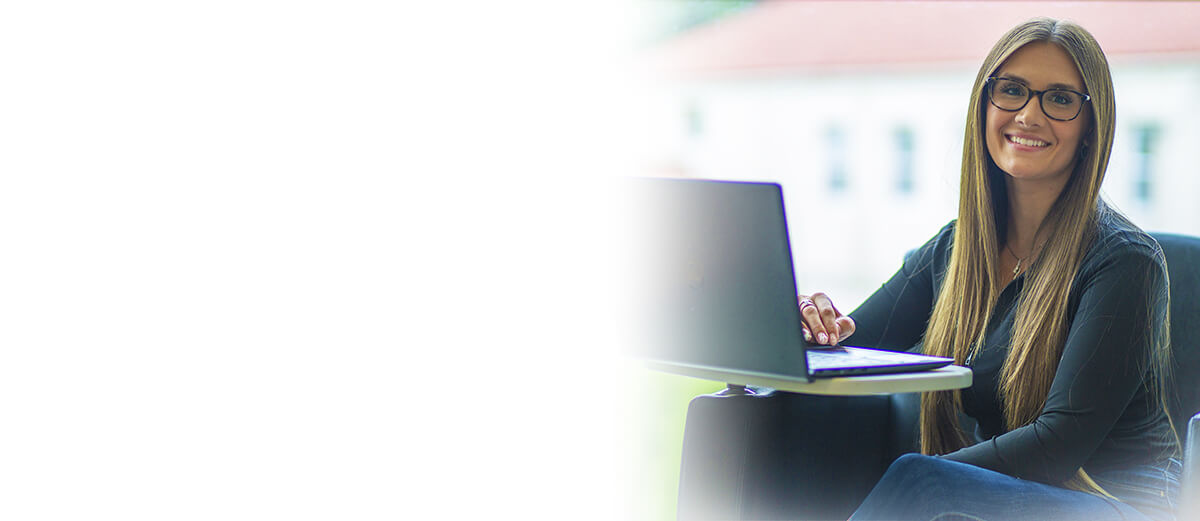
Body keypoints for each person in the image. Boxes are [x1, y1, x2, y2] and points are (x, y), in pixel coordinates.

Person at [795, 18, 1182, 521]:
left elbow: (1057, 447)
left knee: (922, 483)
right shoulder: (956, 250)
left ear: (1091, 128)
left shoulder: (1125, 262)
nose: (1029, 115)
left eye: (1060, 99)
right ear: (985, 105)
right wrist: (812, 325)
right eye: (1012, 90)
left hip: (1121, 504)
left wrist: (924, 479)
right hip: (1010, 499)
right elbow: (851, 344)